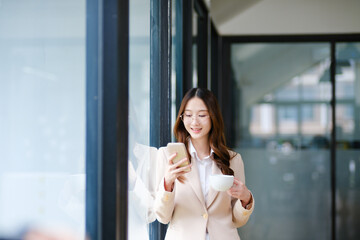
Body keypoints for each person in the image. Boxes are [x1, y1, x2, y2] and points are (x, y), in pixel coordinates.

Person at [154, 88, 254, 240]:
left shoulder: (233, 160)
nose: (194, 122)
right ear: (181, 118)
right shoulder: (167, 156)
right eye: (188, 115)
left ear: (213, 117)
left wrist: (246, 198)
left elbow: (238, 220)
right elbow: (163, 216)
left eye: (202, 115)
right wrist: (168, 183)